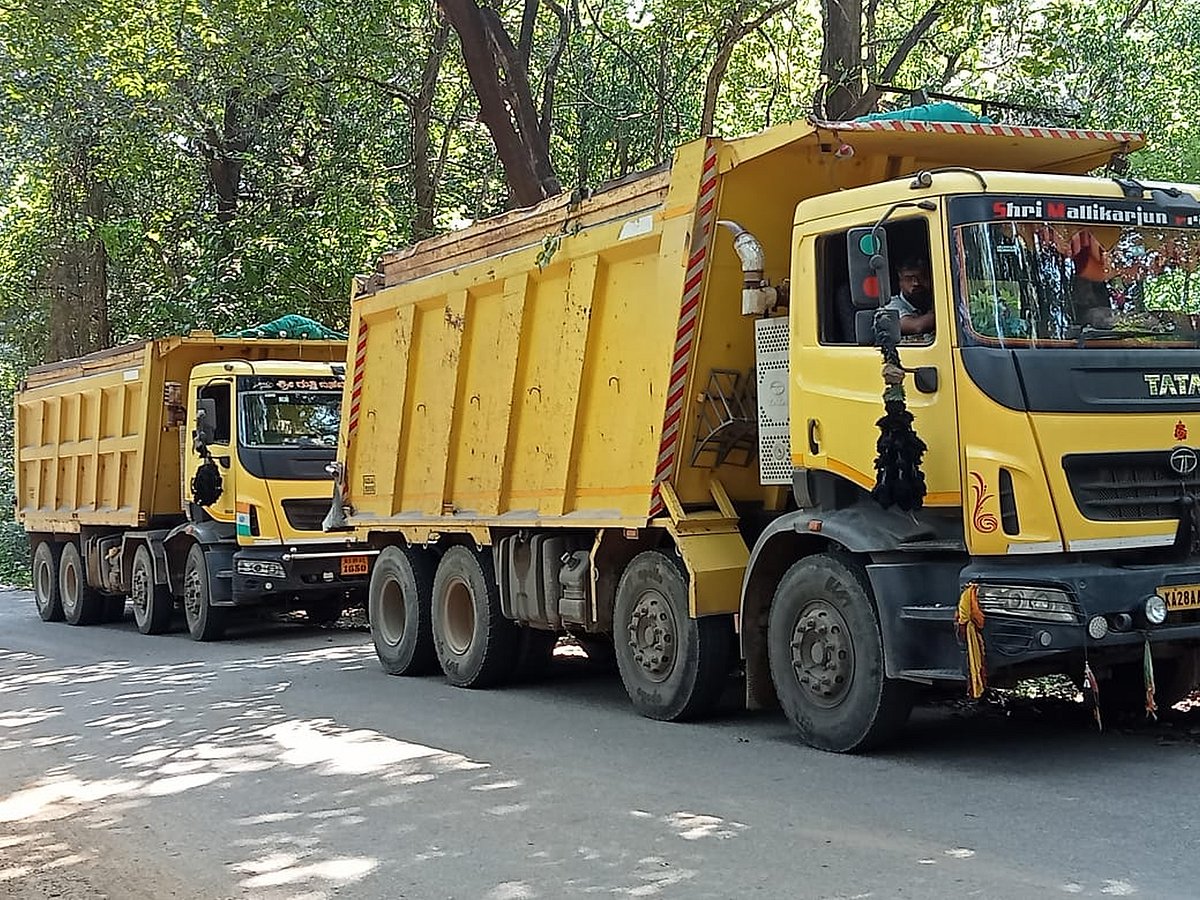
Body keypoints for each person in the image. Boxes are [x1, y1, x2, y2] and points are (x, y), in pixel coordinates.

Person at [886, 257, 935, 338]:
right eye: (909, 278)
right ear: (900, 280)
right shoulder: (892, 305)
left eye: (922, 277)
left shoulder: (936, 299)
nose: (916, 283)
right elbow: (916, 326)